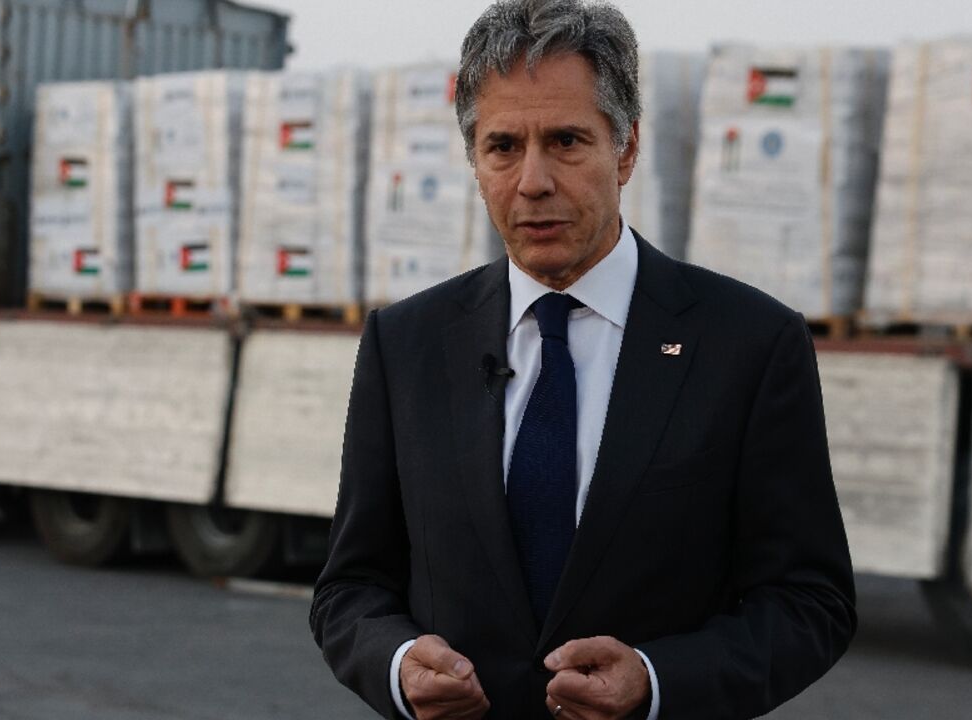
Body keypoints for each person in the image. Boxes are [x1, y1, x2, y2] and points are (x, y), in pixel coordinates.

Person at [310, 1, 856, 718]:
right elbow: (351, 589)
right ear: (475, 161)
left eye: (566, 141)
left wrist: (657, 681)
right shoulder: (405, 345)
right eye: (503, 147)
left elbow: (809, 602)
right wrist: (400, 664)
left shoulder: (750, 345)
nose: (532, 181)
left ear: (625, 150)